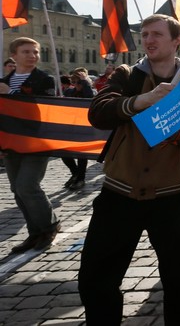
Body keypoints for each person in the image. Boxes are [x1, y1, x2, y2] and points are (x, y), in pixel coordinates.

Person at [78, 14, 180, 324]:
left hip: (172, 197)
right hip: (119, 194)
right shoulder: (127, 75)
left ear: (176, 41)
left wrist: (176, 133)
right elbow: (98, 113)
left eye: (156, 34)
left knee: (179, 282)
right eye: (145, 34)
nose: (148, 40)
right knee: (96, 279)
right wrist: (142, 101)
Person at [0, 37, 60, 253]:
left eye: (35, 52)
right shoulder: (4, 80)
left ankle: (49, 226)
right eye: (26, 52)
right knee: (17, 189)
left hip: (36, 141)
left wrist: (11, 94)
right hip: (11, 143)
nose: (33, 56)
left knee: (27, 185)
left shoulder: (44, 79)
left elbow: (42, 110)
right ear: (14, 55)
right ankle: (35, 233)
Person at [61, 68, 96, 191]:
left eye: (79, 82)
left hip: (84, 127)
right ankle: (75, 173)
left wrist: (85, 81)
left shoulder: (91, 91)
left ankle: (80, 178)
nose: (76, 85)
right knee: (63, 152)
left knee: (81, 155)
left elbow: (89, 98)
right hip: (69, 126)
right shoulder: (70, 92)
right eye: (74, 82)